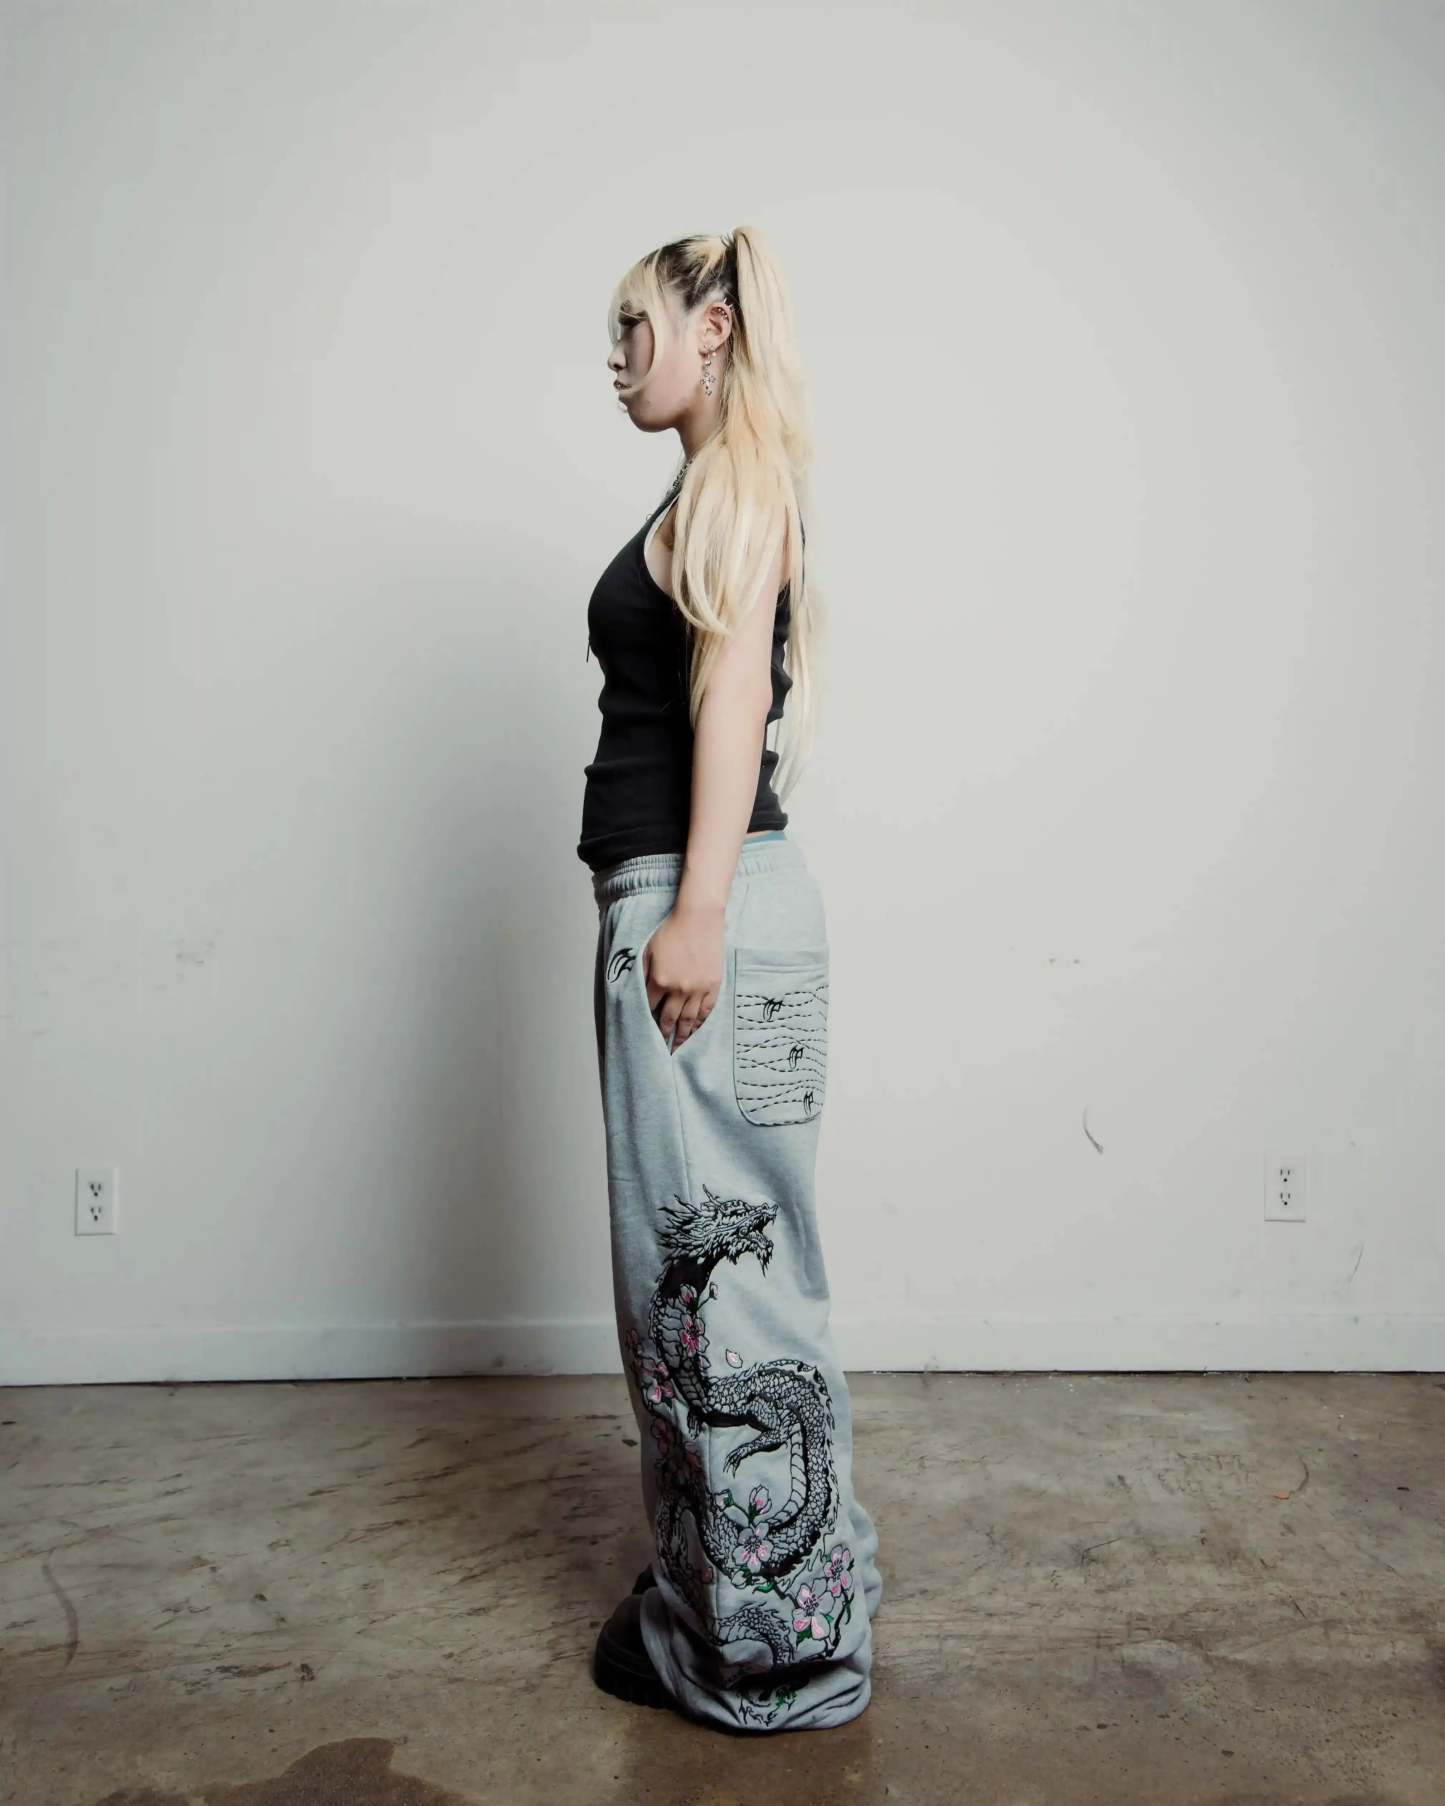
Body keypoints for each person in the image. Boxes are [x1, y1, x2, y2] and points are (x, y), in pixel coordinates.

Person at [580, 226, 883, 1733]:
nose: (615, 357)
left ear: (711, 329)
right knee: (734, 1287)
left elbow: (732, 693)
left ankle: (764, 1662)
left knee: (709, 1301)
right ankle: (764, 1605)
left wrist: (692, 911)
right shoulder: (715, 485)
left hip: (706, 912)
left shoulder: (732, 485)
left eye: (635, 327)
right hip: (716, 906)